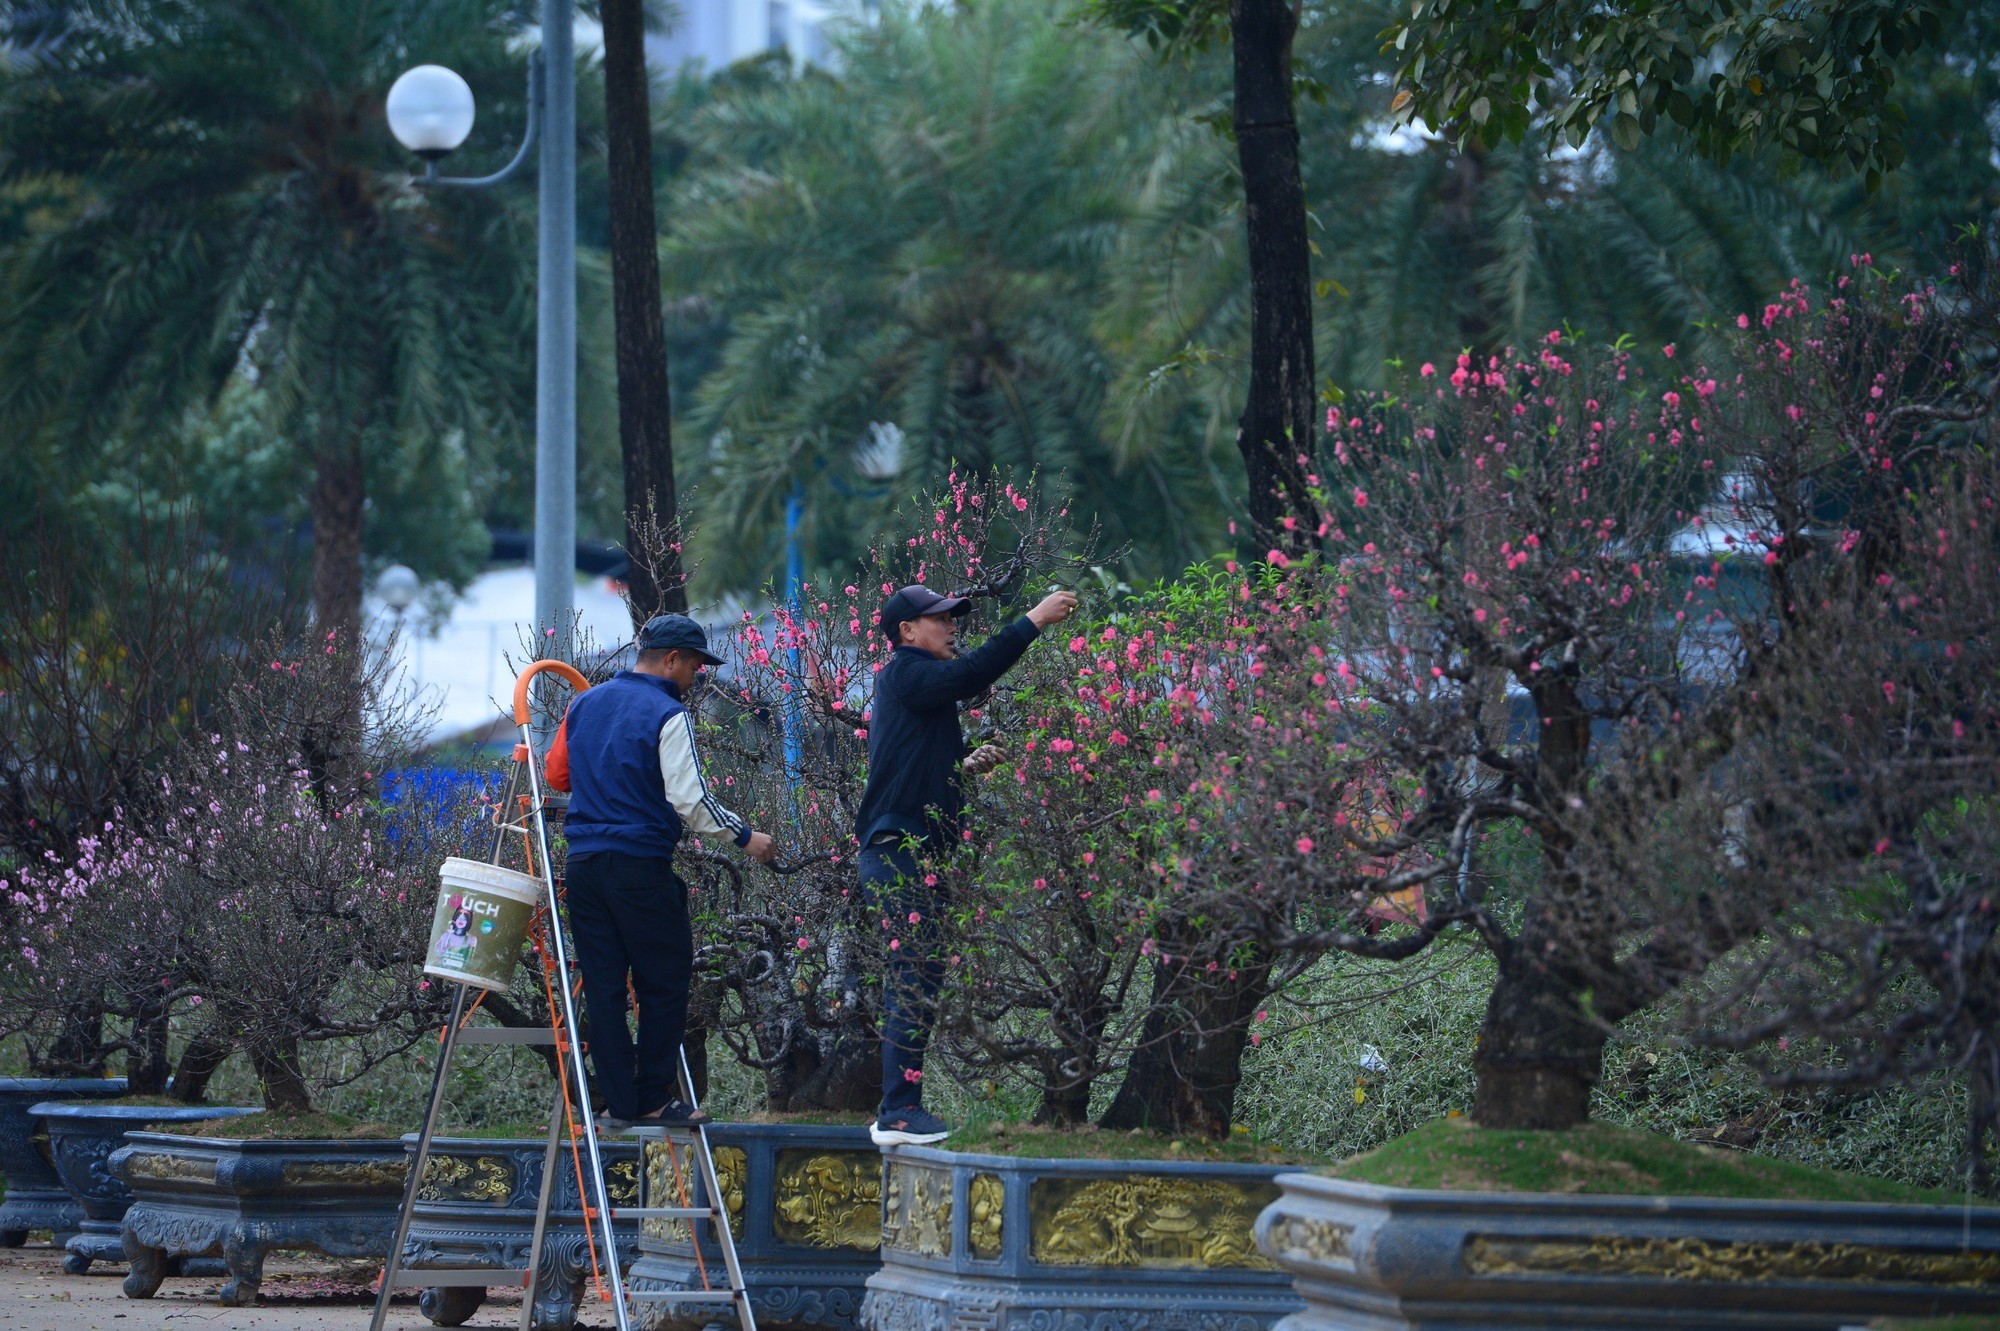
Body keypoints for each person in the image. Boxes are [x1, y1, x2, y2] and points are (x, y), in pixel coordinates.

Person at [857, 583, 1079, 1145]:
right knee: (911, 983)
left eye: (953, 617)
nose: (953, 625)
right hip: (899, 856)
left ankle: (899, 1108)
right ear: (907, 631)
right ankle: (899, 1112)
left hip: (907, 854)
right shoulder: (905, 671)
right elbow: (969, 675)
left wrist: (962, 766)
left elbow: (913, 762)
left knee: (919, 982)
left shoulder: (913, 688)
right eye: (940, 618)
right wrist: (1033, 620)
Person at [545, 614, 778, 1129]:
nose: (696, 677)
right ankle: (652, 1095)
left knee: (603, 985)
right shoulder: (667, 712)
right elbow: (691, 802)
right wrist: (746, 837)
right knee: (664, 981)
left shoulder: (584, 702)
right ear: (671, 659)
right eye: (694, 665)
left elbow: (557, 773)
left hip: (583, 867)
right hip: (639, 867)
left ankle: (613, 1103)